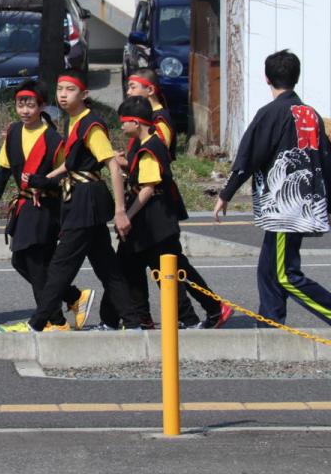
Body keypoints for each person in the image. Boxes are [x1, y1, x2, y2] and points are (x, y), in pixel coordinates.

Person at [0, 70, 141, 332]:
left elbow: (110, 164)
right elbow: (71, 165)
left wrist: (121, 211)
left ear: (84, 94)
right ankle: (132, 323)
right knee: (107, 266)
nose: (63, 94)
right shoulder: (74, 121)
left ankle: (38, 325)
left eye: (70, 90)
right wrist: (42, 180)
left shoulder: (91, 123)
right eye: (60, 89)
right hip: (80, 199)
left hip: (86, 200)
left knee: (60, 267)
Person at [214, 49, 331, 327]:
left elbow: (249, 157)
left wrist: (225, 194)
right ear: (296, 77)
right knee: (268, 269)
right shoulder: (310, 114)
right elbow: (326, 159)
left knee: (284, 274)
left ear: (267, 79)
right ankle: (270, 323)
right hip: (307, 202)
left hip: (285, 208)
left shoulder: (271, 113)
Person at [0, 81, 93, 330]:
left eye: (30, 105)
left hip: (45, 207)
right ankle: (72, 297)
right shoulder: (14, 132)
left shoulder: (53, 139)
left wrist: (43, 185)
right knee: (25, 262)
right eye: (20, 104)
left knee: (34, 263)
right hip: (25, 206)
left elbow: (64, 174)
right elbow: (3, 174)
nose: (25, 110)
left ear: (42, 106)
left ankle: (55, 321)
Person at [115, 96, 232, 330]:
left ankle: (202, 313)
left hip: (156, 221)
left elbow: (148, 188)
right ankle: (142, 317)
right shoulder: (147, 143)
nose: (121, 126)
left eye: (124, 121)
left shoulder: (149, 147)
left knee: (171, 271)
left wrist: (127, 214)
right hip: (149, 221)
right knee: (132, 265)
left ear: (137, 122)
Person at [125, 69, 176, 156]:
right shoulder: (144, 115)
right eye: (128, 88)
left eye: (133, 87)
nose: (128, 92)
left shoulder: (160, 119)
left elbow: (158, 155)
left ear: (150, 90)